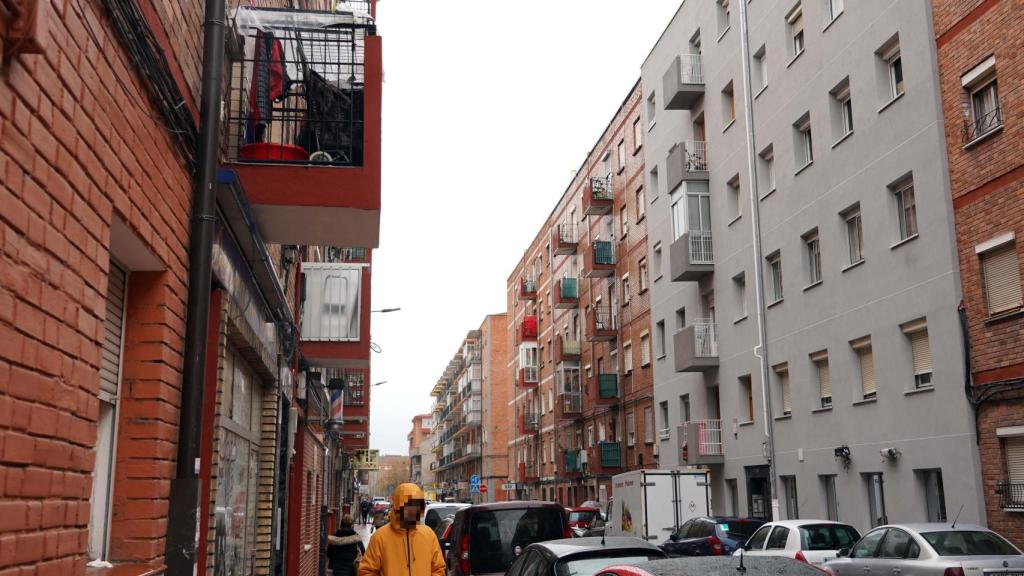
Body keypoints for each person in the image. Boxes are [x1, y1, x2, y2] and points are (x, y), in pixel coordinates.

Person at [358, 483, 445, 576]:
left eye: (416, 506)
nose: (412, 510)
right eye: (407, 506)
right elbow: (366, 571)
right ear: (397, 507)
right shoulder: (380, 537)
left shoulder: (428, 535)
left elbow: (438, 569)